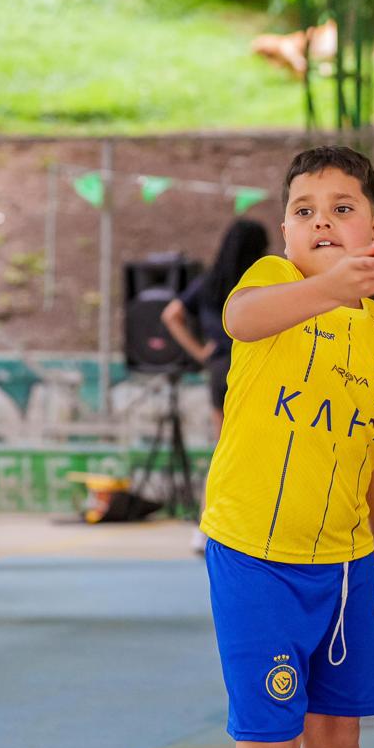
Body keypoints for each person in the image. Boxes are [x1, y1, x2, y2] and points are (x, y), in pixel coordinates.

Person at [198, 145, 374, 748]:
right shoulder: (273, 280)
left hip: (344, 564)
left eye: (343, 210)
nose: (322, 223)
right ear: (285, 231)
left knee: (338, 739)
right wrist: (334, 287)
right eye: (304, 211)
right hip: (255, 550)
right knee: (268, 744)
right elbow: (242, 319)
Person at [161, 218, 269, 553]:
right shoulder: (262, 283)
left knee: (224, 450)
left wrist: (200, 354)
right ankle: (253, 524)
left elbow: (171, 313)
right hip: (253, 370)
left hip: (219, 370)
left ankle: (204, 528)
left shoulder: (208, 282)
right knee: (261, 450)